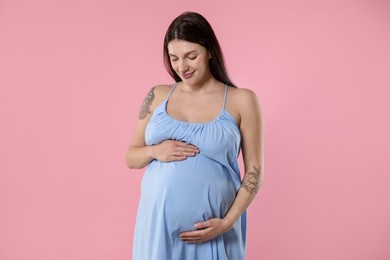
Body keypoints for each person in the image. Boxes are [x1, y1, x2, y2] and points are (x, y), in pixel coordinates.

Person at [126, 11, 264, 260]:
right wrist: (154, 151)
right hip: (158, 226)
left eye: (191, 56)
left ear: (210, 51)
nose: (182, 67)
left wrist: (227, 222)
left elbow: (254, 170)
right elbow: (131, 156)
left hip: (216, 229)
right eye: (174, 58)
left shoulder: (242, 100)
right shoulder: (156, 95)